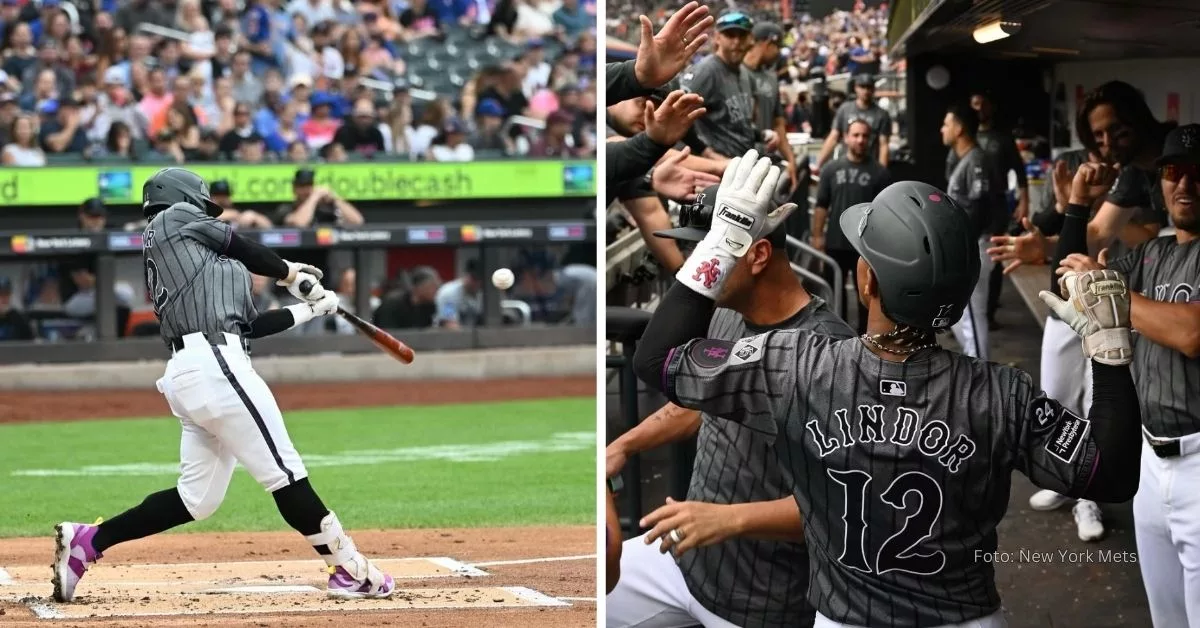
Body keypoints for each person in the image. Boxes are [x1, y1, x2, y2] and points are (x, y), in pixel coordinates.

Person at [632, 149, 1142, 628]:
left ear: (867, 282)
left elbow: (657, 359)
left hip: (847, 618)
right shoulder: (1000, 393)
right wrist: (1110, 350)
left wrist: (722, 243)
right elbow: (1112, 476)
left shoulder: (796, 364)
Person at [51, 168, 395, 603]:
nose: (208, 214)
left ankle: (89, 542)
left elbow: (248, 326)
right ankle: (350, 569)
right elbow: (240, 243)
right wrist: (290, 272)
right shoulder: (169, 218)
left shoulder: (208, 266)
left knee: (197, 500)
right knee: (286, 475)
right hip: (213, 365)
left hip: (200, 368)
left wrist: (311, 309)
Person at [606, 183, 853, 628]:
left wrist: (730, 518)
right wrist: (624, 445)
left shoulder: (830, 351)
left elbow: (845, 504)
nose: (695, 266)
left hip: (764, 598)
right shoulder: (722, 309)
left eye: (709, 252)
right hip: (682, 559)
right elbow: (696, 405)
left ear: (757, 256)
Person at [1055, 124, 1200, 628]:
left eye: (1198, 174)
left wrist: (1114, 294)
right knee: (1167, 618)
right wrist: (1075, 208)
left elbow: (1191, 333)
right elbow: (1072, 268)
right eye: (1174, 173)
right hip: (1151, 461)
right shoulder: (1154, 252)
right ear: (1160, 183)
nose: (1185, 185)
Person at [809, 118, 890, 332]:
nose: (860, 140)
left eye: (864, 136)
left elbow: (885, 213)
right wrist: (817, 236)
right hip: (836, 242)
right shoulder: (831, 169)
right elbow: (821, 205)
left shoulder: (880, 173)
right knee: (835, 295)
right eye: (856, 135)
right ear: (846, 138)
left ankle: (867, 339)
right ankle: (838, 336)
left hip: (866, 246)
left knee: (868, 295)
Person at [940, 103, 1004, 360]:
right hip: (968, 244)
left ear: (959, 129)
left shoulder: (977, 160)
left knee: (971, 313)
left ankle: (980, 371)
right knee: (958, 311)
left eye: (946, 123)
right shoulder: (962, 159)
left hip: (976, 245)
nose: (941, 129)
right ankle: (975, 362)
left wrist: (963, 247)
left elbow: (980, 207)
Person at [679, 11, 758, 161]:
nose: (737, 42)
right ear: (717, 38)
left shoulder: (746, 74)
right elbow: (676, 118)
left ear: (750, 39)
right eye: (730, 35)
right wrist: (706, 153)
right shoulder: (706, 71)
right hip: (717, 169)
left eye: (742, 35)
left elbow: (735, 123)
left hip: (741, 164)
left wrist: (763, 135)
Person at [743, 21, 798, 192]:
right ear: (767, 43)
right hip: (737, 159)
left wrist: (790, 161)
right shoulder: (736, 72)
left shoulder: (771, 77)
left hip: (763, 160)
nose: (779, 53)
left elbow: (778, 124)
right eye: (777, 47)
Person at [815, 73, 891, 170]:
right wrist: (819, 164)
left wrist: (882, 173)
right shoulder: (845, 109)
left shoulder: (881, 114)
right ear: (856, 88)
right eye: (862, 87)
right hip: (846, 164)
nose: (866, 91)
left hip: (869, 165)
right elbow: (833, 137)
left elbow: (883, 145)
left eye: (869, 87)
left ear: (873, 89)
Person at [434, 260, 483, 329]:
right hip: (448, 337)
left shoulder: (482, 293)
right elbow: (450, 324)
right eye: (474, 279)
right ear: (465, 275)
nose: (477, 283)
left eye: (480, 279)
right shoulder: (448, 293)